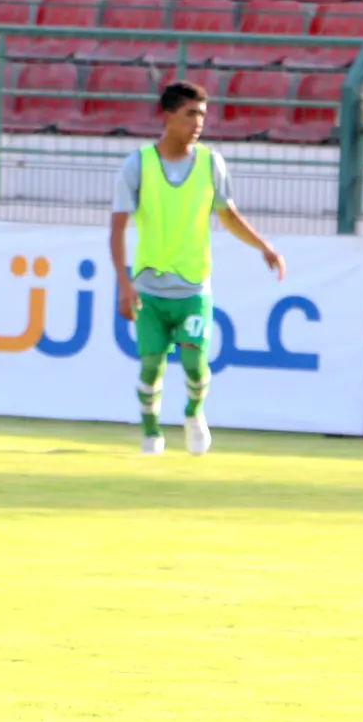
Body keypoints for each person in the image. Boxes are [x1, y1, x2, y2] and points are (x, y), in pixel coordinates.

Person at [110, 80, 285, 456]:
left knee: (194, 362)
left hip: (193, 287)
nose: (199, 122)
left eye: (203, 115)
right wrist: (123, 283)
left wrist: (264, 247)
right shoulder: (138, 164)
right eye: (191, 114)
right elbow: (117, 228)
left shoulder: (210, 163)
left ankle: (193, 413)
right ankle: (151, 434)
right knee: (151, 365)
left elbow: (229, 215)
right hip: (149, 288)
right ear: (168, 115)